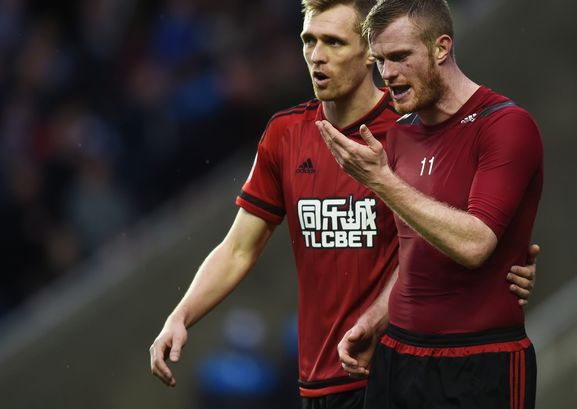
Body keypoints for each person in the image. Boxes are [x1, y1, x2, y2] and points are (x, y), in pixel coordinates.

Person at [150, 1, 538, 408]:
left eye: (333, 42)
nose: (317, 56)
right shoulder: (285, 135)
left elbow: (450, 241)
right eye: (309, 41)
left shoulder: (414, 129)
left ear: (370, 51)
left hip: (397, 372)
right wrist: (181, 315)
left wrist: (505, 264)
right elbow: (239, 248)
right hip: (319, 380)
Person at [317, 0, 543, 407]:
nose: (388, 75)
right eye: (381, 60)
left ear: (441, 48)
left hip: (480, 362)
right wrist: (374, 319)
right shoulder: (401, 134)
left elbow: (474, 245)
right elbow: (414, 253)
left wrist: (382, 181)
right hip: (398, 357)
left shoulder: (507, 125)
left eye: (401, 57)